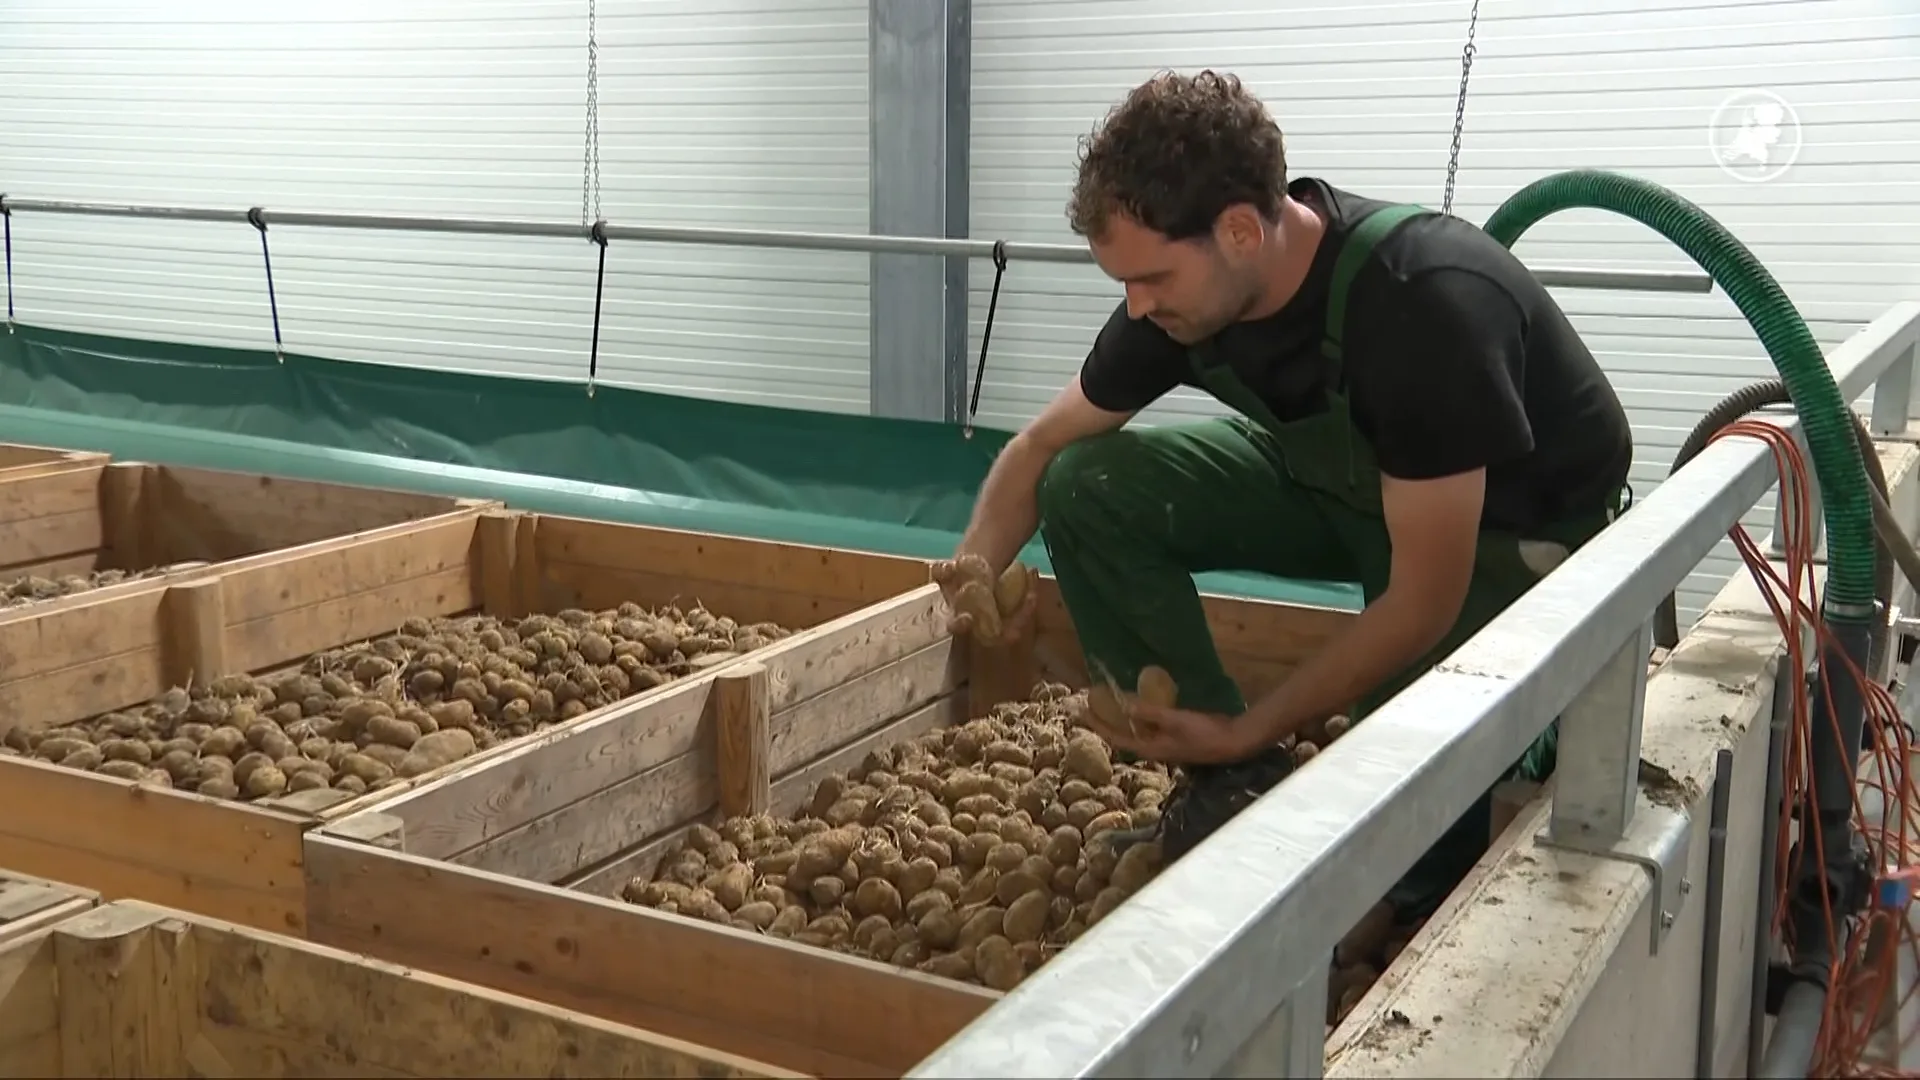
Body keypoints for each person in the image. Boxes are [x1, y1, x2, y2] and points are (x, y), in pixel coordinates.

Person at [932, 70, 1633, 919]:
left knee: (1409, 838)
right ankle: (1230, 787)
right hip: (1347, 487)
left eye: (1151, 278)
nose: (1135, 305)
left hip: (1504, 532)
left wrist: (1254, 718)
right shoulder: (1185, 303)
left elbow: (1422, 601)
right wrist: (975, 573)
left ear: (1237, 231)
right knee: (1088, 481)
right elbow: (1041, 447)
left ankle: (1402, 876)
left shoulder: (1422, 304)